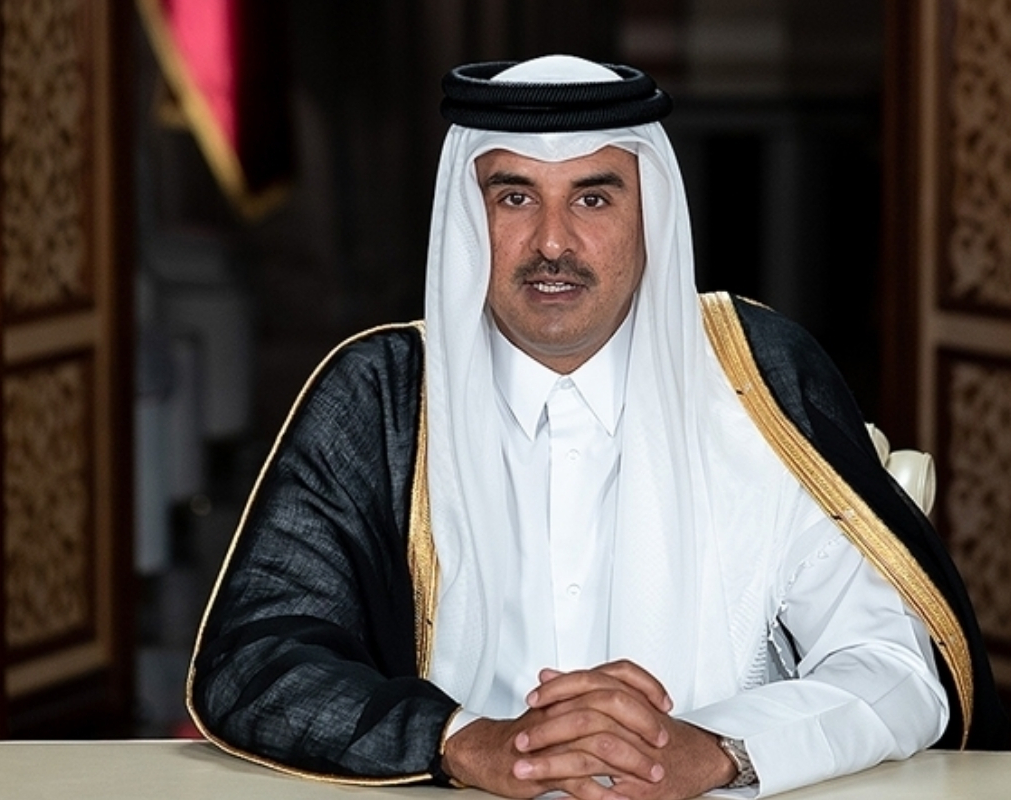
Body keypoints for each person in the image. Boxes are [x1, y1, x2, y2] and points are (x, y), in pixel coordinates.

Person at [186, 56, 1010, 799]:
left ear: (650, 214)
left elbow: (896, 666)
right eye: (514, 197)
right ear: (468, 218)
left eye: (593, 198)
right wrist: (462, 742)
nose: (552, 242)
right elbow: (256, 661)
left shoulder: (756, 379)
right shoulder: (383, 396)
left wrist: (717, 750)